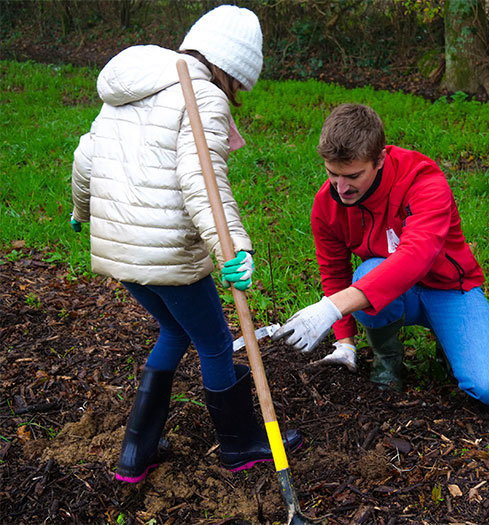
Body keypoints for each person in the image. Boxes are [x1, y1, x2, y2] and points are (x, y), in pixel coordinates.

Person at [71, 5, 301, 484]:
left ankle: (137, 452)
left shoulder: (131, 86)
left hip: (119, 251)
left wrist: (81, 212)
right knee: (216, 342)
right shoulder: (201, 98)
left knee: (175, 332)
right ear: (232, 70)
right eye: (238, 84)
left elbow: (87, 156)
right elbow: (204, 183)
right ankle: (240, 445)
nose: (235, 94)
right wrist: (233, 248)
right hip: (168, 254)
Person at [273, 103, 489, 405]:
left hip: (450, 289)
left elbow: (416, 256)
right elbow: (334, 271)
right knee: (366, 273)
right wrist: (345, 344)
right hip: (393, 296)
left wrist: (332, 307)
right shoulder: (327, 203)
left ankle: (449, 340)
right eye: (332, 174)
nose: (341, 187)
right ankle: (387, 360)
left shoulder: (423, 181)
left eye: (352, 175)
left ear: (379, 159)